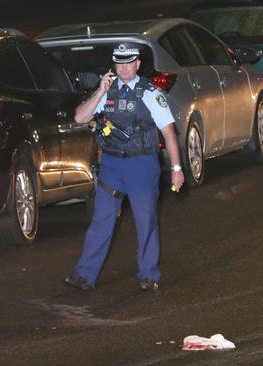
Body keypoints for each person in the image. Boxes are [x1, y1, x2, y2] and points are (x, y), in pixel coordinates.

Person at [64, 42, 185, 291]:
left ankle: (148, 274)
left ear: (137, 64)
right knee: (101, 219)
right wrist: (99, 91)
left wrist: (176, 169)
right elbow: (79, 117)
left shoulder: (151, 93)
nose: (123, 68)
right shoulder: (107, 92)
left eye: (128, 62)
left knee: (145, 219)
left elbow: (169, 133)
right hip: (111, 163)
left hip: (141, 163)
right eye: (119, 63)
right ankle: (84, 274)